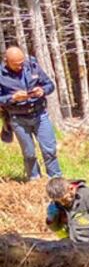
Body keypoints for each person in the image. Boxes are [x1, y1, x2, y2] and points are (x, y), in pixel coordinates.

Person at [0, 46, 61, 181]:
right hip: (18, 118)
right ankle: (34, 180)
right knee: (29, 154)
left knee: (49, 150)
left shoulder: (32, 66)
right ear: (6, 61)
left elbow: (50, 85)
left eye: (22, 63)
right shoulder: (1, 75)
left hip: (39, 114)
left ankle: (56, 180)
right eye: (16, 65)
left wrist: (42, 90)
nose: (20, 67)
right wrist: (13, 98)